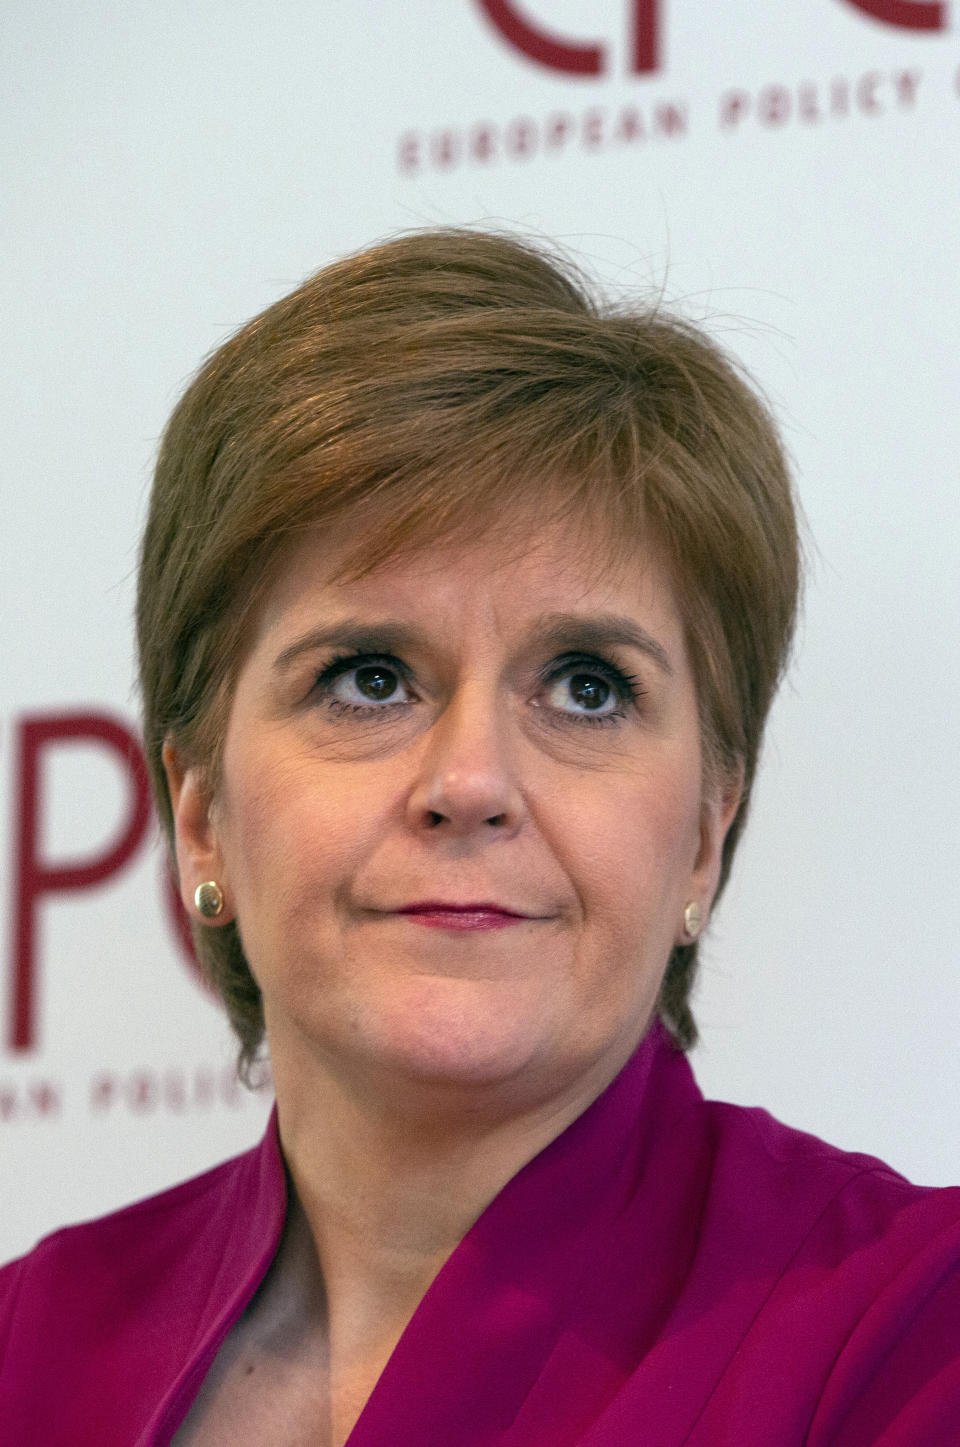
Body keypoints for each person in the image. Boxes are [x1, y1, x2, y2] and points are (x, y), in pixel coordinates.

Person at [1, 228, 958, 1447]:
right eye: (367, 678)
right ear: (202, 821)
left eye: (587, 687)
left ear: (707, 836)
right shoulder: (27, 1344)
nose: (470, 780)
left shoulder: (916, 1334)